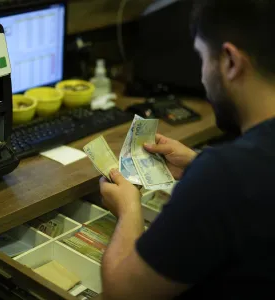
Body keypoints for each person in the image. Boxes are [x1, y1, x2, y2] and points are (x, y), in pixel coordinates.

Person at [99, 0, 275, 299]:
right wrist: (197, 165)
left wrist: (129, 208)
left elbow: (121, 292)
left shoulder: (224, 175)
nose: (203, 75)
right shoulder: (233, 172)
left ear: (231, 62)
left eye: (202, 58)